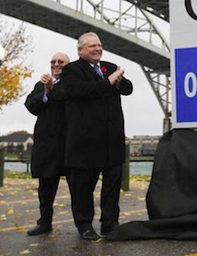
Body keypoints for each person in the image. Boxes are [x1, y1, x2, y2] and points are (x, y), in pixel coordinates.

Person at [60, 32, 133, 240]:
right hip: (86, 141)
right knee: (83, 187)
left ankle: (110, 223)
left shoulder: (109, 67)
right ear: (81, 50)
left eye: (99, 45)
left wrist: (118, 81)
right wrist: (109, 82)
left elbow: (128, 89)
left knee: (112, 185)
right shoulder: (71, 71)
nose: (97, 49)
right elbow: (80, 91)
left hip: (112, 139)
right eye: (92, 46)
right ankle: (84, 225)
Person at [24, 52, 70, 236]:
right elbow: (30, 105)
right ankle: (45, 221)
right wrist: (45, 92)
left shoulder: (74, 83)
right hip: (47, 142)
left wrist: (54, 89)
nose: (56, 64)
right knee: (46, 186)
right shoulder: (40, 85)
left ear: (69, 65)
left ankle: (83, 224)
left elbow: (69, 102)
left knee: (78, 186)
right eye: (53, 62)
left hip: (69, 141)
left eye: (61, 62)